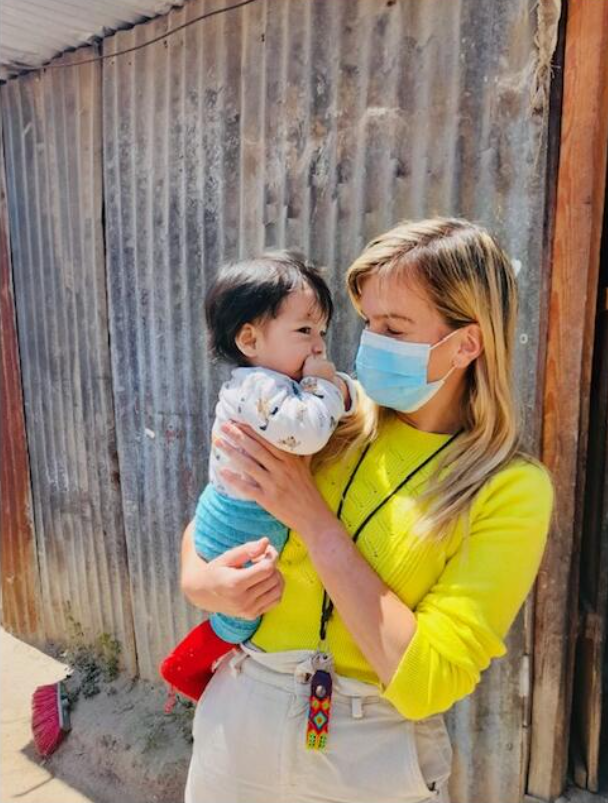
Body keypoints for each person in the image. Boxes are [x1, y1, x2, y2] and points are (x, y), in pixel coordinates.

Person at [180, 218, 554, 803]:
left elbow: (429, 681)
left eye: (394, 327)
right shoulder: (325, 419)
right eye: (368, 323)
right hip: (241, 716)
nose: (367, 343)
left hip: (372, 755)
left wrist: (314, 521)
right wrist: (200, 580)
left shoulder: (510, 488)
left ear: (466, 344)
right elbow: (222, 502)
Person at [160, 252, 356, 704]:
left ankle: (193, 669)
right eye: (305, 331)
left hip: (240, 511)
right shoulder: (258, 388)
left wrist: (334, 388)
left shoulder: (274, 384)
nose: (318, 346)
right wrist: (329, 386)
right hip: (237, 520)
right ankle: (185, 669)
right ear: (249, 338)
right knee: (243, 613)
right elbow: (307, 432)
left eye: (321, 332)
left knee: (247, 604)